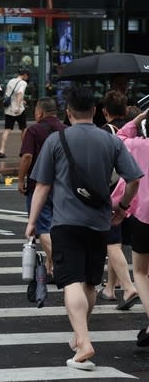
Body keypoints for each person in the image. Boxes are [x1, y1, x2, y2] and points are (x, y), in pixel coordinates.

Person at [26, 85, 142, 369]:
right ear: (94, 110)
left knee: (70, 282)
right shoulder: (111, 141)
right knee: (90, 281)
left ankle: (84, 342)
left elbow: (42, 185)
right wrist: (122, 207)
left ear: (68, 112)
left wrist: (31, 222)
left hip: (66, 222)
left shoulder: (56, 140)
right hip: (99, 222)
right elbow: (134, 179)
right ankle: (81, 336)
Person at [111, 111, 149, 346]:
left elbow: (120, 136)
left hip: (144, 216)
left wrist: (139, 117)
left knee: (142, 273)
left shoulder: (136, 145)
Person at [17, 98, 66, 277]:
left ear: (39, 113)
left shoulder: (34, 130)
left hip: (39, 185)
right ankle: (50, 267)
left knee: (42, 227)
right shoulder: (66, 130)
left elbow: (27, 156)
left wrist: (20, 179)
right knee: (55, 227)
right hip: (62, 185)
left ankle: (62, 264)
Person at [98, 90, 138, 304]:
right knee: (118, 243)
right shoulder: (136, 128)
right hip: (136, 194)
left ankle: (129, 287)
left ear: (104, 111)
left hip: (115, 193)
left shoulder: (107, 133)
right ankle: (109, 288)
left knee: (112, 243)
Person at [0, 67, 29, 158]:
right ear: (24, 75)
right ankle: (24, 150)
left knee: (7, 129)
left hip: (8, 110)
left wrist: (21, 101)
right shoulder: (23, 83)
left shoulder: (11, 81)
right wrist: (18, 106)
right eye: (27, 75)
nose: (28, 77)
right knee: (23, 129)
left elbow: (8, 95)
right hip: (19, 110)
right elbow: (20, 93)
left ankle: (2, 150)